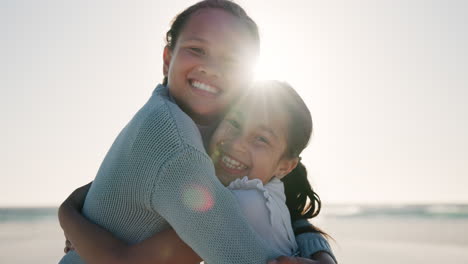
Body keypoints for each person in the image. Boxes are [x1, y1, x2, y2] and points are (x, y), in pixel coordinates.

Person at [58, 1, 335, 263]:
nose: (211, 69)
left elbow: (273, 200)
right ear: (168, 59)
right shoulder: (177, 144)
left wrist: (320, 253)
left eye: (231, 61)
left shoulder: (207, 122)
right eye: (197, 49)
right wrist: (68, 213)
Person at [59, 81, 337, 264]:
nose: (237, 143)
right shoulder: (269, 193)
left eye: (261, 139)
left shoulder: (238, 204)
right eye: (234, 123)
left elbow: (121, 260)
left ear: (286, 165)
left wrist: (68, 213)